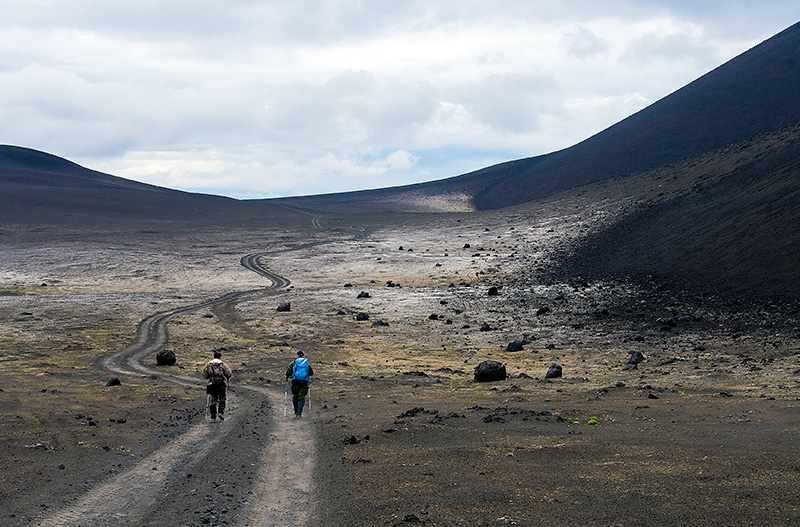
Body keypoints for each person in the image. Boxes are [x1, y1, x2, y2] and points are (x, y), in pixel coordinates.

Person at [202, 350, 232, 420]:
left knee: (213, 398)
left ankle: (213, 414)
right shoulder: (223, 364)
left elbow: (205, 374)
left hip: (212, 383)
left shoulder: (209, 364)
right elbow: (228, 374)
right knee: (222, 398)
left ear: (214, 356)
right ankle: (220, 412)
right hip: (221, 383)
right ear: (220, 357)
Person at [286, 350, 313, 418]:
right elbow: (311, 373)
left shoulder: (293, 363)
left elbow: (288, 372)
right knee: (301, 397)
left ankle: (296, 412)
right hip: (304, 382)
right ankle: (299, 413)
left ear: (297, 355)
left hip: (295, 382)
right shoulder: (306, 363)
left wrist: (288, 376)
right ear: (303, 355)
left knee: (295, 396)